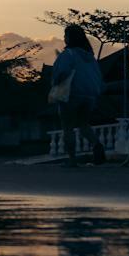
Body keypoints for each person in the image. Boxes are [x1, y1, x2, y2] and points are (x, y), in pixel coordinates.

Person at [50, 25, 106, 166]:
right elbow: (99, 76)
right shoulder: (90, 57)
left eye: (65, 36)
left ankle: (72, 159)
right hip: (89, 95)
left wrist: (54, 84)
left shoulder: (68, 55)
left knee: (67, 127)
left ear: (69, 38)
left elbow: (61, 73)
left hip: (71, 94)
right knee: (83, 124)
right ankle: (96, 144)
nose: (64, 38)